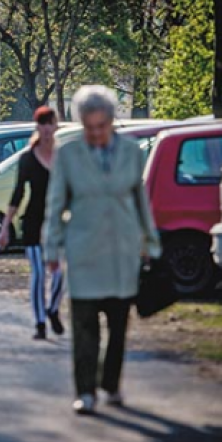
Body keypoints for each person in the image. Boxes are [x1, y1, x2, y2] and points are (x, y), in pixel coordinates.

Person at [44, 85, 161, 415]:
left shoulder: (132, 152)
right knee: (84, 328)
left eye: (101, 126)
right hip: (83, 250)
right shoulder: (68, 155)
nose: (95, 134)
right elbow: (55, 205)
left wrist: (150, 242)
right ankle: (85, 391)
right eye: (89, 127)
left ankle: (111, 384)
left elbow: (141, 201)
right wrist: (51, 247)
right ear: (81, 123)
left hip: (122, 251)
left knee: (119, 325)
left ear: (112, 121)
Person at [0, 106, 65, 341]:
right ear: (37, 126)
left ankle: (53, 309)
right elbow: (18, 194)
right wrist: (5, 226)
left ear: (56, 126)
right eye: (42, 123)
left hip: (57, 223)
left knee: (59, 275)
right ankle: (39, 323)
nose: (47, 128)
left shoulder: (63, 157)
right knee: (38, 273)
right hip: (33, 223)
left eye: (50, 123)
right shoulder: (27, 157)